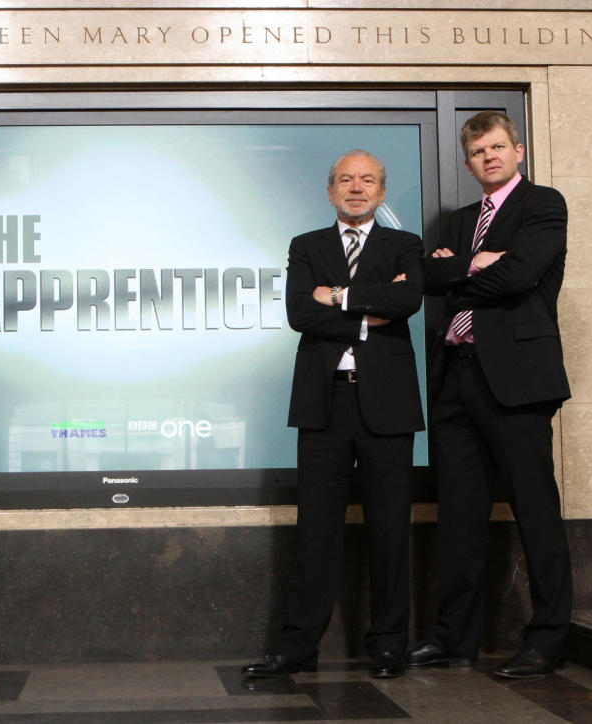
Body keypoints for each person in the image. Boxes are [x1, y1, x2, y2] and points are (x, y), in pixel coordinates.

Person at [243, 150, 425, 680]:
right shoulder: (307, 246)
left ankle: (389, 645)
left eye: (367, 180)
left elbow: (407, 300)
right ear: (330, 192)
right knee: (315, 531)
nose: (356, 188)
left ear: (382, 193)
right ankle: (298, 648)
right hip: (324, 404)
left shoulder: (405, 245)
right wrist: (370, 312)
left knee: (390, 529)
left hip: (387, 405)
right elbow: (301, 313)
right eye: (345, 180)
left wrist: (338, 297)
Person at [410, 110, 571, 678]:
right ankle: (454, 638)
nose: (490, 158)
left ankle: (548, 640)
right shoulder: (457, 222)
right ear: (468, 162)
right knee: (459, 516)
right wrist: (473, 264)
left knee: (536, 511)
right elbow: (429, 280)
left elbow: (519, 276)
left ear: (518, 151)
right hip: (456, 375)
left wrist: (467, 269)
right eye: (479, 153)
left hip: (518, 381)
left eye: (499, 147)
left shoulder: (543, 205)